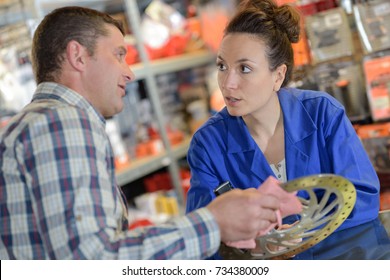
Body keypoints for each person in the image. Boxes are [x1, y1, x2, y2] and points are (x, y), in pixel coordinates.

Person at [0, 6, 282, 260]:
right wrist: (214, 222)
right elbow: (91, 260)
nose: (129, 73)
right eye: (118, 55)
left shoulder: (36, 122)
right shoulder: (61, 122)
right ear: (78, 56)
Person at [186, 0, 380, 258]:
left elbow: (363, 197)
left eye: (244, 69)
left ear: (278, 75)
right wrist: (252, 249)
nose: (228, 83)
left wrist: (298, 234)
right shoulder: (208, 145)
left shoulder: (322, 114)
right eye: (222, 66)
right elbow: (202, 237)